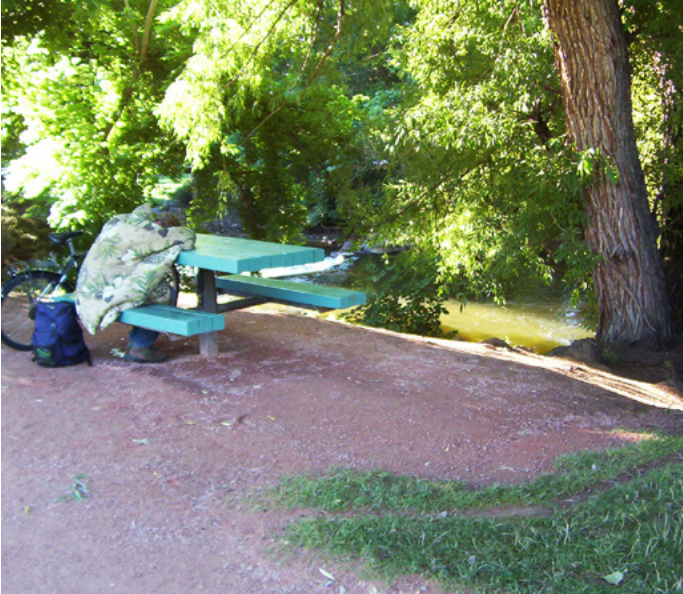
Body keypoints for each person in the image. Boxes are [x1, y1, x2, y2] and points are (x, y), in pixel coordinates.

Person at [75, 205, 196, 363]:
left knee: (151, 287)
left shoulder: (122, 225)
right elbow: (186, 237)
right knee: (163, 292)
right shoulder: (148, 232)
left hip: (87, 288)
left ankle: (136, 341)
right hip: (104, 292)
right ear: (158, 224)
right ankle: (140, 346)